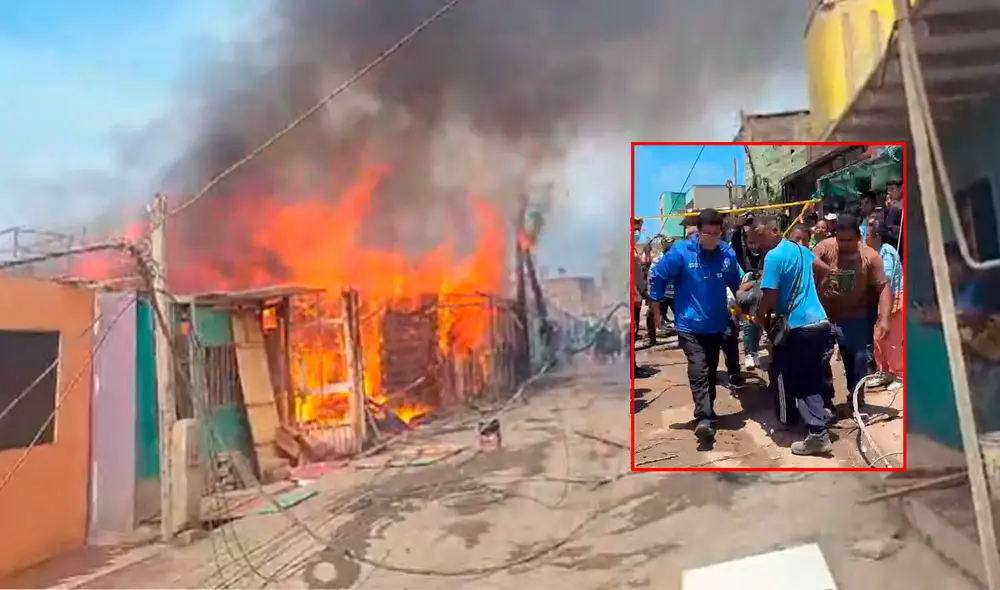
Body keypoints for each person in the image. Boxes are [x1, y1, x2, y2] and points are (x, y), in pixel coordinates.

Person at [648, 209, 742, 442]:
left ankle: (708, 412)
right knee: (698, 368)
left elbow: (737, 282)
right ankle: (704, 417)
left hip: (716, 324)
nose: (712, 238)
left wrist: (744, 302)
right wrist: (657, 313)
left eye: (716, 233)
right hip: (689, 326)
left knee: (710, 370)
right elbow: (657, 277)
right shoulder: (681, 252)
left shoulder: (727, 254)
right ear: (698, 232)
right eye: (707, 233)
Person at [744, 215, 835, 456]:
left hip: (798, 326)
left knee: (798, 378)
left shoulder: (773, 257)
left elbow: (769, 297)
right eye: (754, 239)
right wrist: (814, 295)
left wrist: (759, 317)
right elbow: (826, 270)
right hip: (820, 321)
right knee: (812, 375)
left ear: (775, 230)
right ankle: (819, 417)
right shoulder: (800, 250)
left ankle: (816, 433)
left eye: (760, 236)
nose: (758, 243)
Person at [813, 214, 893, 412]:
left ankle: (856, 397)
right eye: (841, 240)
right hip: (824, 316)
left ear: (858, 236)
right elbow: (808, 261)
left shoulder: (870, 257)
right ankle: (825, 400)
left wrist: (885, 318)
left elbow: (883, 287)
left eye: (849, 240)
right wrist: (826, 270)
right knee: (820, 359)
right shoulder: (825, 247)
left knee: (857, 360)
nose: (845, 244)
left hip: (854, 317)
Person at [866, 217, 904, 385]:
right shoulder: (873, 252)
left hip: (894, 299)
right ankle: (885, 372)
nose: (865, 238)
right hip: (879, 301)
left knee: (892, 340)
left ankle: (899, 375)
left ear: (876, 235)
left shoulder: (887, 252)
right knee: (878, 338)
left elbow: (885, 277)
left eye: (867, 234)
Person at [730, 214, 763, 371]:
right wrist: (738, 226)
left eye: (755, 242)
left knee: (758, 323)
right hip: (744, 293)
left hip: (759, 292)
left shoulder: (766, 254)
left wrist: (753, 283)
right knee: (747, 323)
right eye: (750, 243)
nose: (753, 246)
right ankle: (749, 353)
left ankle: (754, 351)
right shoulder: (743, 254)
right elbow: (736, 242)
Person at [883, 180, 904, 261]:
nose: (889, 192)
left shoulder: (895, 208)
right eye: (888, 190)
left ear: (901, 188)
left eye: (892, 189)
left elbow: (889, 229)